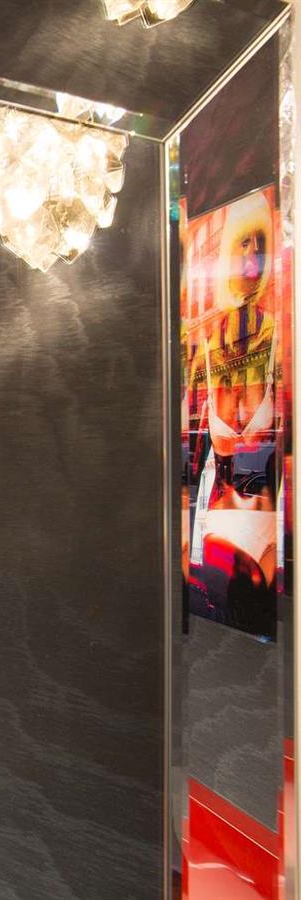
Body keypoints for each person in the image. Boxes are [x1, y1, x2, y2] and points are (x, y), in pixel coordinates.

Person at [184, 191, 280, 636]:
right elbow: (192, 456)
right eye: (244, 241)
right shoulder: (207, 350)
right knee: (219, 641)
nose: (253, 252)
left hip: (267, 530)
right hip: (219, 529)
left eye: (260, 241)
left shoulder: (277, 337)